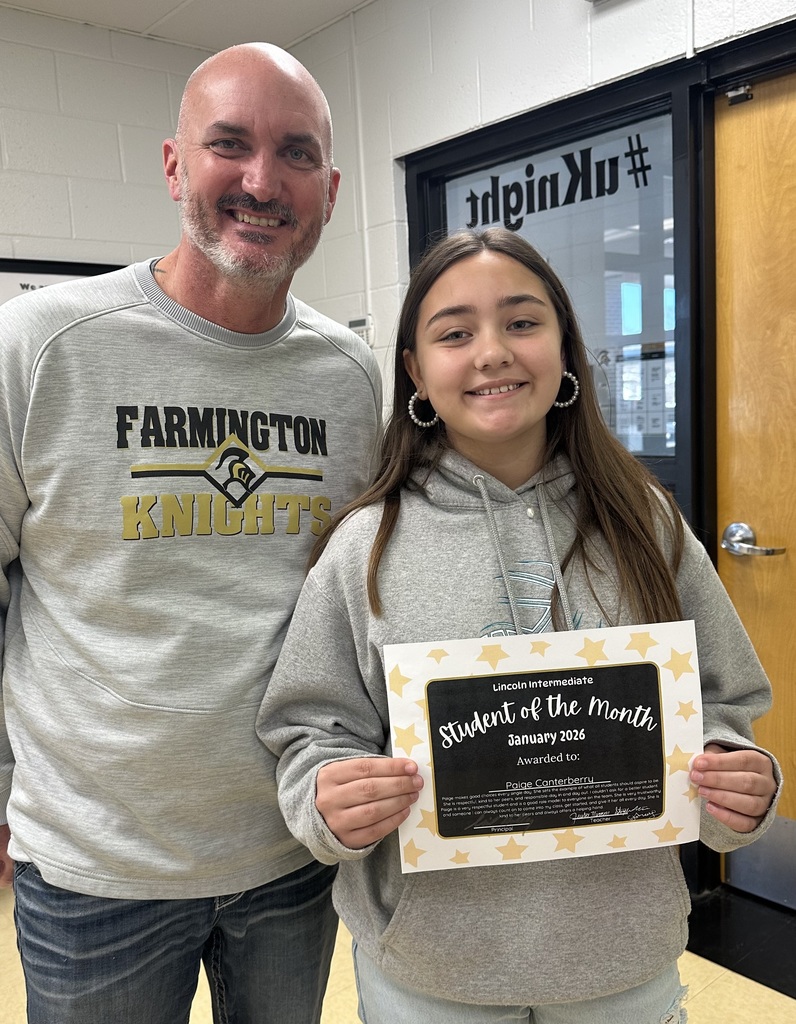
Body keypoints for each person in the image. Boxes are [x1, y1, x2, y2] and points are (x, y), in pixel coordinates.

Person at [258, 227, 781, 1024]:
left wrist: (738, 779)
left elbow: (724, 707)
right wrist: (327, 799)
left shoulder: (649, 524)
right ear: (415, 373)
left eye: (523, 322)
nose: (492, 352)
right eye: (455, 332)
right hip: (431, 968)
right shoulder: (365, 545)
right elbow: (310, 732)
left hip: (621, 958)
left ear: (566, 347)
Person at [0, 42, 381, 1024]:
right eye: (229, 146)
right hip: (98, 868)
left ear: (330, 189)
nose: (261, 180)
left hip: (294, 850)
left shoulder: (352, 379)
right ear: (175, 164)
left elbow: (366, 594)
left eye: (295, 153)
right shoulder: (41, 347)